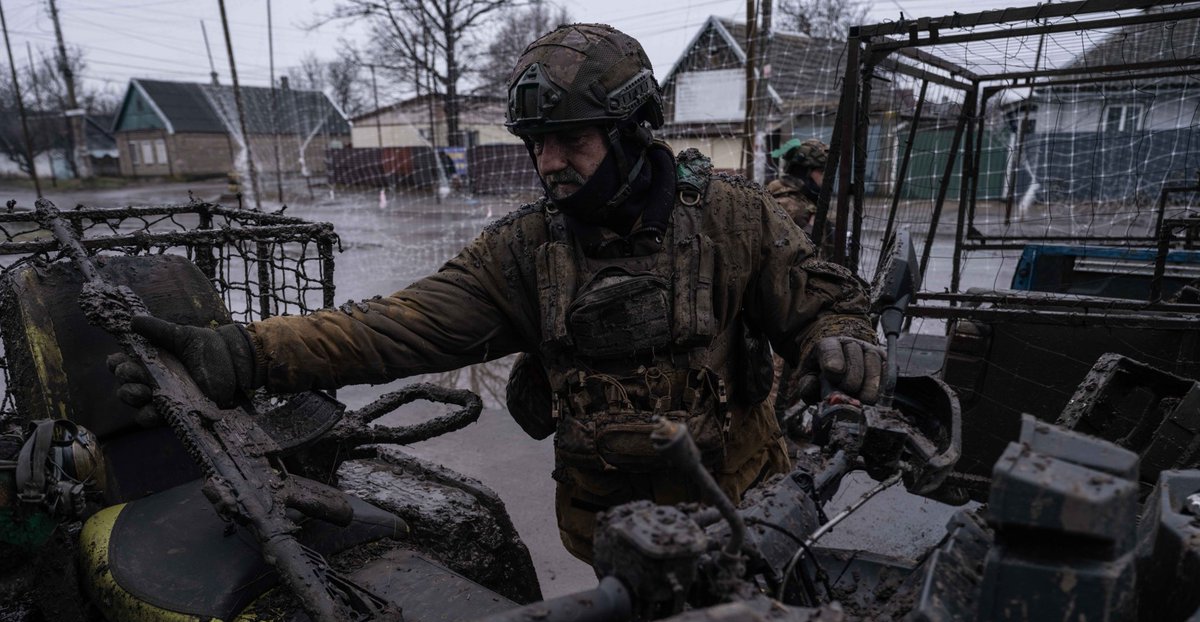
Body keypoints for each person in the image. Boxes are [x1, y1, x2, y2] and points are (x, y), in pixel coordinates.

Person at [112, 23, 883, 563]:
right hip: (616, 541)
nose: (549, 163)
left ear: (630, 130)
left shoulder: (733, 216)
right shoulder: (522, 253)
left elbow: (824, 302)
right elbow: (388, 327)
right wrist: (240, 354)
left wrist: (844, 341)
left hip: (745, 514)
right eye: (537, 144)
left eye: (571, 139)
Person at [766, 138, 835, 257]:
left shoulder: (806, 199)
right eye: (821, 171)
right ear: (804, 171)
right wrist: (812, 227)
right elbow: (783, 255)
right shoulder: (786, 204)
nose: (825, 177)